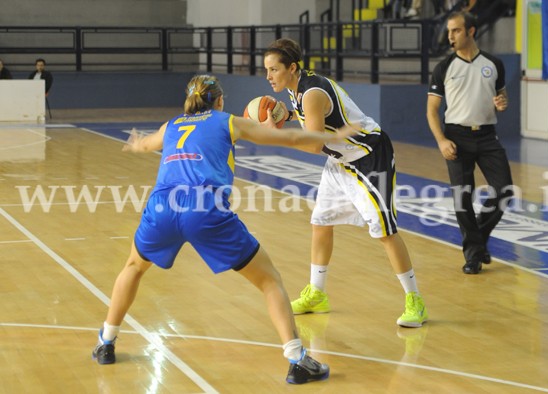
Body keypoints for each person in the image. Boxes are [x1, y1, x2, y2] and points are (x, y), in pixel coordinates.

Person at [91, 74, 360, 384]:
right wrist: (338, 134)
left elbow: (145, 145)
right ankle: (297, 359)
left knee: (133, 267)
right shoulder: (228, 121)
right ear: (219, 101)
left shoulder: (172, 125)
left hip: (163, 205)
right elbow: (293, 139)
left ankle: (106, 343)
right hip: (205, 207)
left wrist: (137, 143)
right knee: (269, 280)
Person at [263, 38, 428, 328]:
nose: (268, 76)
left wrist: (275, 135)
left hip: (368, 156)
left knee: (384, 231)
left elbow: (314, 145)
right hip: (340, 160)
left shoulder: (311, 92)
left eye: (274, 69)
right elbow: (314, 123)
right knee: (321, 221)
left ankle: (415, 300)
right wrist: (287, 115)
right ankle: (317, 293)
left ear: (291, 68)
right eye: (266, 70)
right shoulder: (296, 88)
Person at [426, 11, 513, 274]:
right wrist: (441, 140)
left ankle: (476, 238)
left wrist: (502, 103)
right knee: (463, 198)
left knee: (504, 190)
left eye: (456, 31)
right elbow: (431, 111)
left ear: (471, 31)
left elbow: (501, 95)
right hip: (456, 137)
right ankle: (473, 255)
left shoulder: (493, 63)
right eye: (449, 31)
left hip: (487, 136)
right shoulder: (444, 68)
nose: (450, 36)